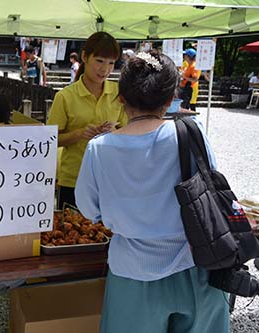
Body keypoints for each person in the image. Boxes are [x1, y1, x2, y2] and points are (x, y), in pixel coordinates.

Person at [75, 51, 229, 333]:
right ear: (171, 100)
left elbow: (88, 209)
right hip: (196, 267)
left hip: (132, 274)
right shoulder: (191, 133)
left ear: (120, 97)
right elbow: (212, 189)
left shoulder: (99, 149)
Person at [46, 32, 127, 209]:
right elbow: (49, 141)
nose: (105, 69)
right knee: (73, 232)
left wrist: (115, 132)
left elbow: (131, 132)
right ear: (84, 57)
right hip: (73, 180)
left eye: (111, 63)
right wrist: (79, 134)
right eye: (99, 61)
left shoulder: (118, 94)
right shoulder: (65, 97)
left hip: (109, 179)